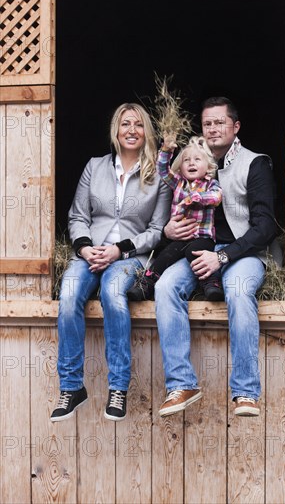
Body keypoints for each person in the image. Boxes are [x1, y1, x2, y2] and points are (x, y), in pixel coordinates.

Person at [154, 97, 277, 417]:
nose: (212, 128)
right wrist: (170, 229)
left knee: (237, 290)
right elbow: (166, 183)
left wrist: (222, 259)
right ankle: (181, 383)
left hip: (245, 252)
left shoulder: (255, 163)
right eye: (207, 123)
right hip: (200, 249)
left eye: (220, 122)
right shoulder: (194, 163)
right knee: (166, 285)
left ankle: (246, 392)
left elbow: (265, 227)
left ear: (235, 127)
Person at [50, 103, 171, 422]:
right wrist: (85, 247)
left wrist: (120, 250)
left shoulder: (158, 177)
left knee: (113, 294)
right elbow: (78, 215)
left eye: (138, 124)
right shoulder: (95, 166)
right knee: (69, 292)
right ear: (115, 132)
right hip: (91, 253)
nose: (132, 130)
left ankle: (118, 387)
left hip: (130, 256)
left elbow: (157, 230)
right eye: (125, 123)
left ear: (147, 132)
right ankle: (72, 386)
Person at [127, 133, 223, 302]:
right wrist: (166, 149)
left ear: (208, 166)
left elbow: (216, 197)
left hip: (202, 236)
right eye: (187, 160)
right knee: (164, 256)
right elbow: (162, 171)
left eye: (197, 159)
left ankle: (210, 283)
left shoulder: (210, 184)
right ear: (181, 166)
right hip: (180, 238)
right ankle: (146, 284)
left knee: (195, 253)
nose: (191, 163)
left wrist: (196, 197)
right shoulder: (178, 183)